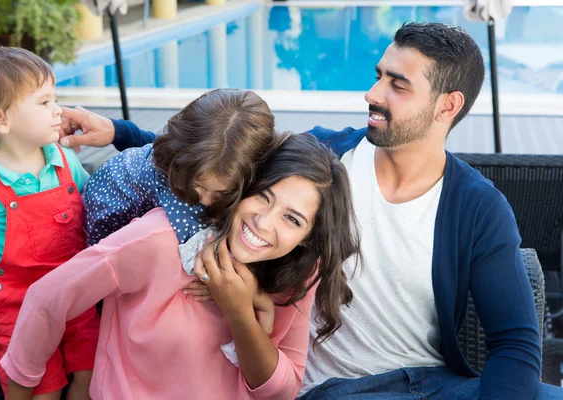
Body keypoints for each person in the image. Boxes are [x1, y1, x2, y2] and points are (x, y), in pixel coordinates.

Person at [57, 22, 563, 399]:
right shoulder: (322, 159)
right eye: (379, 76)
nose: (372, 93)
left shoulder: (477, 206)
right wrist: (122, 134)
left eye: (398, 85)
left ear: (447, 106)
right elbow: (226, 157)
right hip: (333, 389)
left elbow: (516, 344)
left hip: (434, 384)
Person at [0, 132, 360, 400]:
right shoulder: (158, 239)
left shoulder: (298, 269)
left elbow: (281, 390)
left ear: (309, 236)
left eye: (292, 219)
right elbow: (46, 298)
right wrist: (22, 386)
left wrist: (240, 313)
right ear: (242, 186)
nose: (264, 224)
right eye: (263, 196)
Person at [0, 47, 100, 399]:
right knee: (42, 391)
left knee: (90, 375)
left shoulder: (66, 161)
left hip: (74, 294)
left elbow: (92, 206)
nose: (58, 111)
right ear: (1, 120)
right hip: (17, 304)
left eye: (54, 99)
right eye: (43, 103)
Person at [83, 88, 276, 248]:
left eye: (220, 193)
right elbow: (198, 250)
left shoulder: (187, 159)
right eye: (199, 186)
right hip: (106, 222)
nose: (205, 200)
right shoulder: (171, 181)